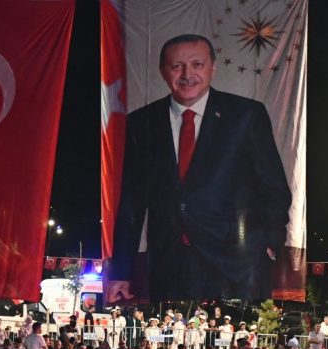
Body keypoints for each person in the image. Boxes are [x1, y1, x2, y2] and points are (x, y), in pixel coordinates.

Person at [106, 34, 291, 302]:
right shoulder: (141, 123)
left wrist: (270, 244)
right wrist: (121, 270)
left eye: (197, 64)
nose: (187, 74)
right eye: (177, 65)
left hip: (236, 264)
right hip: (169, 267)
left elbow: (274, 189)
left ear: (213, 68)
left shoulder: (246, 115)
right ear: (163, 71)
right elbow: (132, 203)